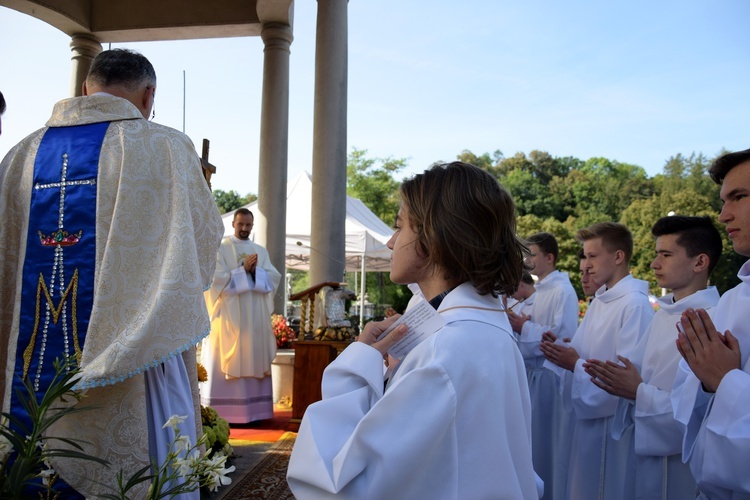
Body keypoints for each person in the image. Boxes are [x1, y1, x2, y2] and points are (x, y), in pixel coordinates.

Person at [0, 49, 222, 497]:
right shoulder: (166, 146)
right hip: (137, 360)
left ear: (86, 88)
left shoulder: (20, 154)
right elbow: (201, 243)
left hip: (23, 365)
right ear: (148, 95)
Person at [287, 162, 539, 498]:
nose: (391, 242)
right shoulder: (486, 325)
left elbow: (343, 486)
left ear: (434, 236)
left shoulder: (442, 351)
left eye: (399, 227)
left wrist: (357, 367)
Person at [585, 215, 722, 499]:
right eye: (657, 254)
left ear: (700, 262)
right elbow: (635, 378)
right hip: (646, 456)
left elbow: (702, 413)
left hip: (684, 469)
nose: (654, 264)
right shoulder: (663, 317)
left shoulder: (715, 322)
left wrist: (638, 392)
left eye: (666, 254)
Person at [541, 222, 654, 500]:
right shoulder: (601, 300)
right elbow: (586, 352)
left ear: (618, 257)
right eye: (584, 256)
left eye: (592, 256)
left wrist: (574, 364)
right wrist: (568, 351)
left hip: (611, 429)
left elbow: (627, 377)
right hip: (587, 423)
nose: (586, 264)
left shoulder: (634, 304)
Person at [671, 147, 750, 498]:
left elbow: (721, 379)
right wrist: (706, 383)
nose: (723, 216)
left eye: (739, 197)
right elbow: (691, 394)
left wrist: (725, 382)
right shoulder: (734, 300)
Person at [507, 232, 579, 500]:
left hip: (550, 377)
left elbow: (562, 336)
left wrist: (524, 326)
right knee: (531, 443)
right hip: (533, 376)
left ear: (549, 258)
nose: (527, 260)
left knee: (546, 443)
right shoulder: (541, 290)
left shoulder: (562, 290)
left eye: (532, 255)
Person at [202, 208, 281, 423]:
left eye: (248, 225)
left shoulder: (260, 251)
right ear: (234, 224)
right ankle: (223, 412)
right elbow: (214, 280)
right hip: (229, 317)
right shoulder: (221, 249)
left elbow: (274, 277)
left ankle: (257, 412)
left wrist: (256, 272)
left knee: (254, 354)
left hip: (254, 318)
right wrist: (242, 269)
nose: (244, 228)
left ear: (252, 225)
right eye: (241, 224)